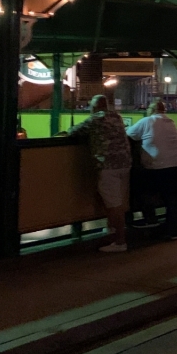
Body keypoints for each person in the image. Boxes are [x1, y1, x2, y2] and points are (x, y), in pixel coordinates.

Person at [68, 94, 132, 253]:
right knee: (118, 202)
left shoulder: (95, 119)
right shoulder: (117, 117)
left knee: (113, 206)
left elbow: (73, 132)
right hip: (125, 164)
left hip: (107, 165)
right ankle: (112, 232)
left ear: (94, 107)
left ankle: (120, 241)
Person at [127, 100, 177, 241]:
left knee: (141, 189)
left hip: (159, 166)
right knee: (173, 199)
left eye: (148, 108)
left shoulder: (148, 121)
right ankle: (173, 231)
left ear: (152, 109)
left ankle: (150, 219)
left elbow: (130, 134)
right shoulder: (171, 122)